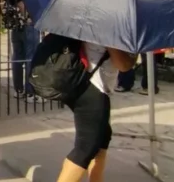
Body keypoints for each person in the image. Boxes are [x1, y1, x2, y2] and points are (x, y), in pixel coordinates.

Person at [56, 38, 136, 182]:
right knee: (86, 148)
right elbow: (123, 65)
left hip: (81, 82)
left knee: (102, 139)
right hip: (93, 88)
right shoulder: (108, 27)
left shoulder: (89, 18)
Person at [2, 0, 40, 102]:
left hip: (15, 30)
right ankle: (30, 92)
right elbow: (28, 13)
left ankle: (18, 90)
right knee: (31, 58)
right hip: (29, 28)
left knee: (17, 58)